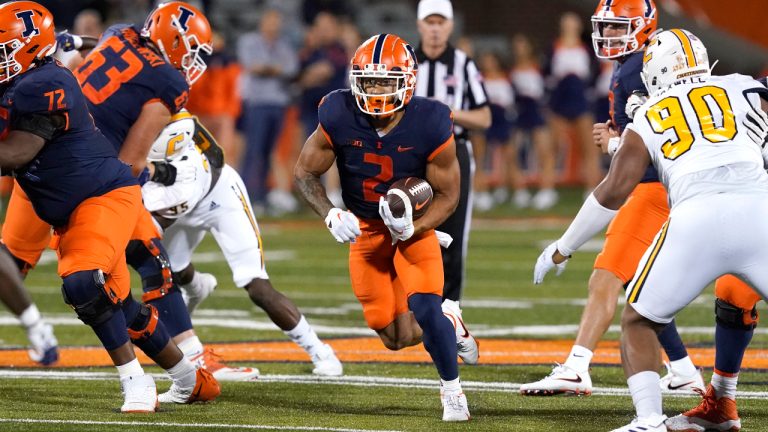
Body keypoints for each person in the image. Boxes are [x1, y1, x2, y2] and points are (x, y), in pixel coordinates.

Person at [8, 1, 257, 382]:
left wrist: (70, 40)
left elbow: (95, 44)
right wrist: (147, 181)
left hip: (38, 170)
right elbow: (131, 162)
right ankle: (191, 363)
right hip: (90, 174)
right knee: (150, 262)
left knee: (10, 267)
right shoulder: (168, 82)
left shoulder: (118, 33)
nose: (192, 63)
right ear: (174, 44)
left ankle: (178, 364)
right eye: (190, 52)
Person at [533, 28, 768, 432]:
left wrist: (563, 246)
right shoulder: (743, 86)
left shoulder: (648, 113)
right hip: (760, 210)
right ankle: (713, 400)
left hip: (697, 219)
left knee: (639, 322)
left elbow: (614, 190)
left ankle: (648, 421)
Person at [521, 0, 705, 397]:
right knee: (640, 284)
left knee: (605, 277)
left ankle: (576, 366)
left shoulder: (640, 67)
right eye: (605, 27)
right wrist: (619, 142)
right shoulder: (637, 63)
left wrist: (616, 143)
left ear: (643, 26)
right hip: (671, 187)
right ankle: (685, 370)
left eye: (618, 27)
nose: (608, 35)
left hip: (652, 188)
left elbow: (654, 142)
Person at [294, 33, 471, 421]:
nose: (375, 90)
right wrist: (330, 213)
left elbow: (448, 195)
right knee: (395, 337)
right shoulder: (338, 111)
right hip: (367, 230)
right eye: (368, 80)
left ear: (406, 81)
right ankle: (450, 320)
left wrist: (416, 228)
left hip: (413, 230)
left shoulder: (431, 120)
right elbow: (305, 172)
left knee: (424, 305)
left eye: (385, 82)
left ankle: (453, 393)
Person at [141, 111, 344, 376]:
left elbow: (146, 232)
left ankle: (320, 351)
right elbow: (213, 150)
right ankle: (196, 286)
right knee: (172, 270)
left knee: (256, 285)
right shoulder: (169, 130)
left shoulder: (178, 184)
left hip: (219, 197)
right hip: (185, 189)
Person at [413, 0, 487, 360]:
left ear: (450, 26)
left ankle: (452, 311)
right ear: (420, 25)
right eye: (430, 21)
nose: (435, 28)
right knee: (409, 229)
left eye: (441, 21)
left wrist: (446, 113)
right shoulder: (406, 60)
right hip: (410, 153)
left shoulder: (463, 63)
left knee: (454, 235)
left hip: (453, 152)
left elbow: (486, 117)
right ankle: (414, 309)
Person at [237, 9, 298, 211]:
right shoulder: (249, 41)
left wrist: (267, 69)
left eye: (276, 22)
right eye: (270, 21)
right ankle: (246, 195)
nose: (274, 25)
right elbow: (251, 66)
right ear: (262, 22)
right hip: (257, 103)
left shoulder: (284, 44)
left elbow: (291, 68)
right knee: (253, 151)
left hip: (277, 104)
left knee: (267, 152)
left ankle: (261, 198)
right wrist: (275, 69)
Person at [544, 12, 602, 200]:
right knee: (553, 146)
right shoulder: (554, 46)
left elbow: (595, 72)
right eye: (566, 22)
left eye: (572, 22)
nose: (569, 25)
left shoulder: (586, 49)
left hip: (580, 100)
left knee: (588, 145)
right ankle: (547, 189)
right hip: (560, 100)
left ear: (578, 26)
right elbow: (546, 72)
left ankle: (591, 189)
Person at [508, 34, 557, 209]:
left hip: (536, 111)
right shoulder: (511, 69)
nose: (519, 49)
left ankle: (547, 190)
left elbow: (548, 89)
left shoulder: (540, 67)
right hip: (519, 112)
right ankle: (520, 190)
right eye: (516, 46)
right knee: (513, 151)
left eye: (522, 45)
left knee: (544, 151)